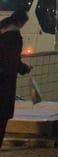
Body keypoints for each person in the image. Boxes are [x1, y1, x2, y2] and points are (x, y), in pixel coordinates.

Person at [0, 9, 32, 148]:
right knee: (2, 118)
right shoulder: (14, 36)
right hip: (4, 82)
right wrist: (24, 68)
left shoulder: (2, 29)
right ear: (20, 22)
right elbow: (12, 61)